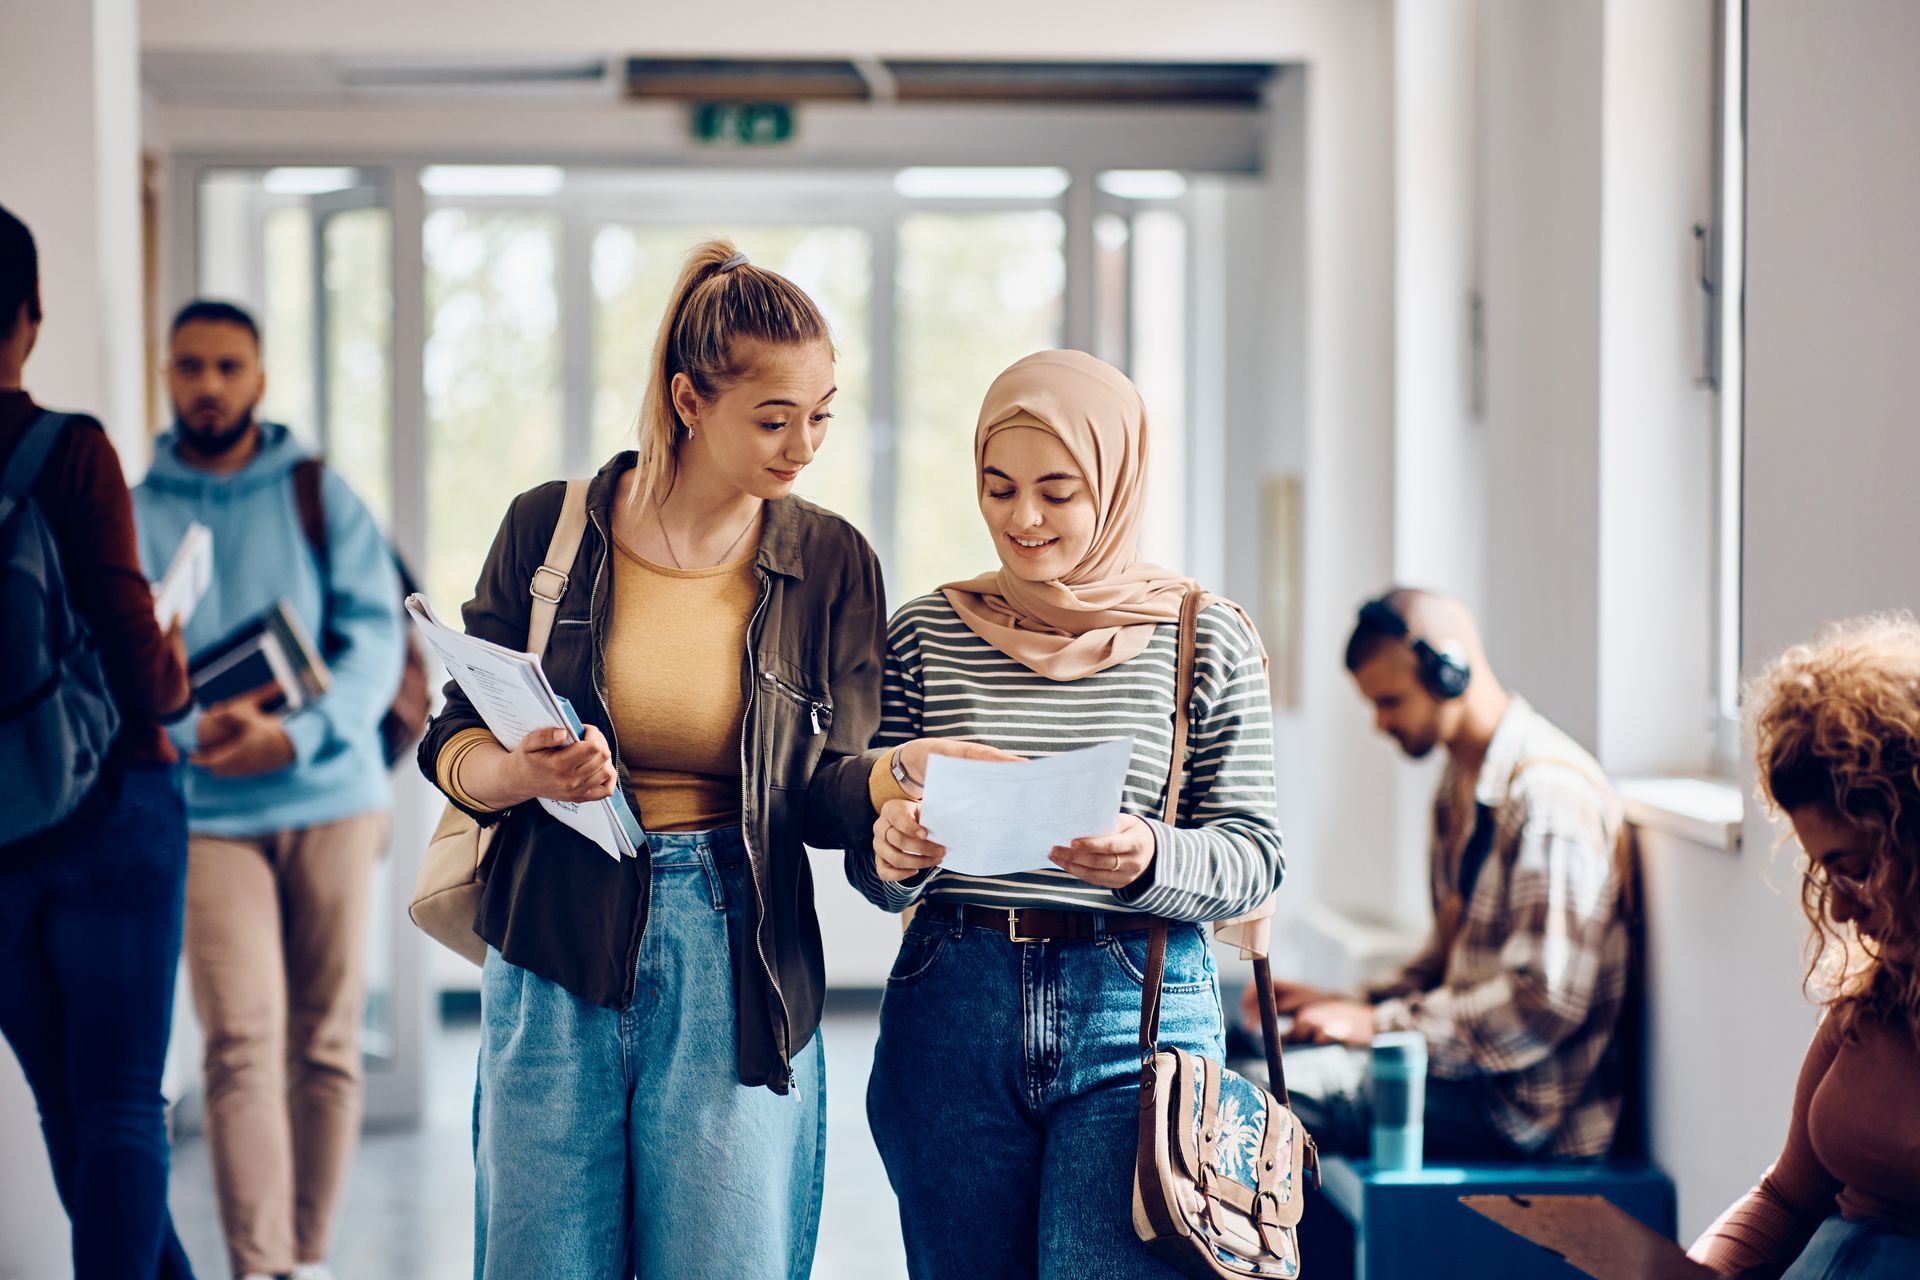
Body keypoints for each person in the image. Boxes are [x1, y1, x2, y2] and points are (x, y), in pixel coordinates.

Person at [418, 240, 955, 1279]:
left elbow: (829, 791)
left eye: (823, 413)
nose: (804, 444)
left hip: (738, 950)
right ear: (687, 399)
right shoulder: (550, 527)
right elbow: (453, 737)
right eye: (773, 416)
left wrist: (898, 777)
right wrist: (527, 772)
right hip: (551, 936)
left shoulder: (832, 560)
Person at [847, 348, 1284, 1278]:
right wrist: (894, 852)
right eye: (999, 488)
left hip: (1139, 1008)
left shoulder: (1206, 636)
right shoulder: (925, 634)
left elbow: (1256, 857)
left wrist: (1148, 858)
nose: (1025, 518)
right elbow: (870, 864)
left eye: (1059, 489)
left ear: (1118, 482)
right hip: (951, 997)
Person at [132, 299, 405, 1280]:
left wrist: (292, 738)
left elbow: (376, 643)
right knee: (240, 1040)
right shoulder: (132, 504)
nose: (207, 384)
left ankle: (309, 1258)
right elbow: (111, 663)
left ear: (260, 377)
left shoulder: (317, 492)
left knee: (325, 1040)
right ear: (167, 374)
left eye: (227, 366)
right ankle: (262, 1266)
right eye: (189, 365)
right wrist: (190, 731)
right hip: (204, 810)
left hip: (329, 794)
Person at [1241, 589, 1631, 1160]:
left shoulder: (1548, 800)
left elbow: (1541, 1006)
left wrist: (1375, 1025)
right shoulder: (1459, 787)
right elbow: (1449, 962)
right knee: (1236, 1048)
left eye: (1392, 701)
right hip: (1466, 1073)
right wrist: (1344, 1006)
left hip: (1519, 1111)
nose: (1379, 723)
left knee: (1250, 1095)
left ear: (1450, 673)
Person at [0, 203, 197, 1277]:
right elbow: (146, 678)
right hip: (111, 803)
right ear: (27, 316)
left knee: (66, 1105)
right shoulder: (65, 449)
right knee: (120, 1099)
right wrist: (169, 640)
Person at [1690, 615, 1920, 1278]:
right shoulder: (1872, 998)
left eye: (1854, 867)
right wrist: (1698, 1270)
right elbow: (1788, 1198)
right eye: (1826, 873)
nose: (1841, 908)